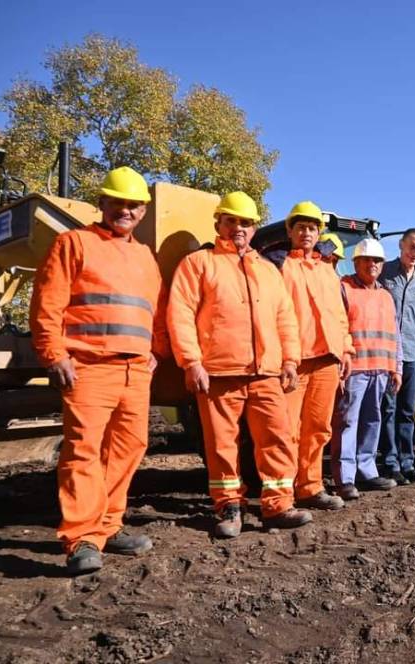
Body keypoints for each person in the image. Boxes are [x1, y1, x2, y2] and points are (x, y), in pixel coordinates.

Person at [30, 166, 168, 575]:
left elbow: (153, 312)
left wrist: (156, 350)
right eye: (118, 202)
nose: (125, 210)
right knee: (84, 452)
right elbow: (48, 304)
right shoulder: (74, 243)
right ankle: (82, 538)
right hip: (88, 366)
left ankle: (108, 525)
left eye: (133, 205)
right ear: (103, 204)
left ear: (143, 211)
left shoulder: (145, 257)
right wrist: (54, 354)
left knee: (129, 448)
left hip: (135, 370)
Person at [168, 191, 311, 539]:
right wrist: (191, 362)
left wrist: (290, 360)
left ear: (254, 227)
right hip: (219, 372)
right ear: (218, 222)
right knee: (222, 444)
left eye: (245, 222)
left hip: (266, 373)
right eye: (231, 220)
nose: (238, 228)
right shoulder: (199, 264)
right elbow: (181, 314)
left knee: (277, 438)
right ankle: (229, 507)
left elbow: (285, 319)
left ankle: (277, 505)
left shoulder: (267, 269)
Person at [281, 201, 353, 510]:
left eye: (312, 228)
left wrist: (346, 349)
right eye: (301, 227)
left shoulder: (328, 272)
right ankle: (282, 492)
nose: (306, 232)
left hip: (327, 359)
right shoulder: (280, 267)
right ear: (290, 231)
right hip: (295, 361)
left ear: (318, 232)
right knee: (287, 430)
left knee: (319, 428)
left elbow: (340, 315)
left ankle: (310, 486)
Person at [335, 238, 402, 498]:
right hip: (355, 369)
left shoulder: (386, 296)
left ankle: (367, 470)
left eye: (376, 260)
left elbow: (394, 334)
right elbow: (339, 327)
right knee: (348, 422)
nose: (371, 264)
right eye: (366, 260)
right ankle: (346, 478)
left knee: (372, 420)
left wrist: (396, 368)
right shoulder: (345, 288)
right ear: (356, 262)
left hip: (381, 369)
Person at [378, 229, 415, 484]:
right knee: (388, 408)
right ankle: (390, 463)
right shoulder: (384, 273)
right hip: (387, 352)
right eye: (412, 247)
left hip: (412, 354)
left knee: (407, 411)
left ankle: (408, 462)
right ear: (401, 246)